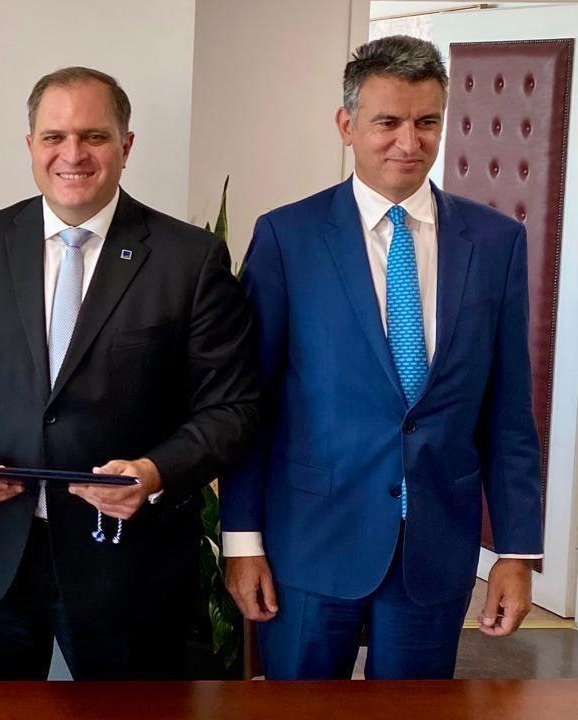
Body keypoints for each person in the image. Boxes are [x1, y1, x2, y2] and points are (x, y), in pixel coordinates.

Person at [0, 66, 259, 680]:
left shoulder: (188, 258)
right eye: (54, 137)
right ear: (31, 145)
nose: (72, 154)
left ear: (126, 145)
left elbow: (231, 407)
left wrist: (153, 472)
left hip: (129, 568)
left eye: (94, 137)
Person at [222, 35, 542, 680]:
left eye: (427, 122)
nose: (408, 142)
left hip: (435, 548)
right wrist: (242, 541)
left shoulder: (496, 242)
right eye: (387, 122)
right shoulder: (288, 237)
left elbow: (509, 414)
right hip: (311, 543)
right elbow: (249, 403)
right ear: (347, 126)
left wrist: (515, 552)